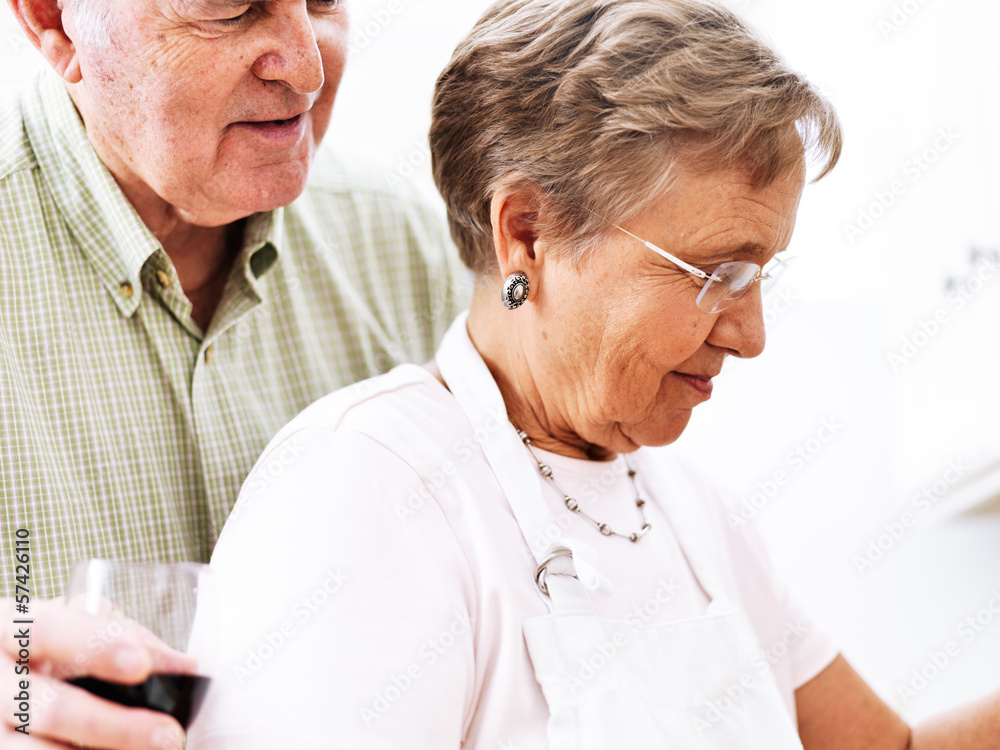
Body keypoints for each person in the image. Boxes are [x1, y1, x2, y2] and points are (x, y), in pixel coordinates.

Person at [188, 0, 1000, 747]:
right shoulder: (367, 489)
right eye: (717, 272)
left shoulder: (696, 514)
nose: (752, 336)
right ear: (529, 233)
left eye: (760, 275)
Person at [0, 0, 465, 747]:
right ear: (54, 20)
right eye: (230, 9)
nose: (309, 66)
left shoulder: (417, 254)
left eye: (321, 1)